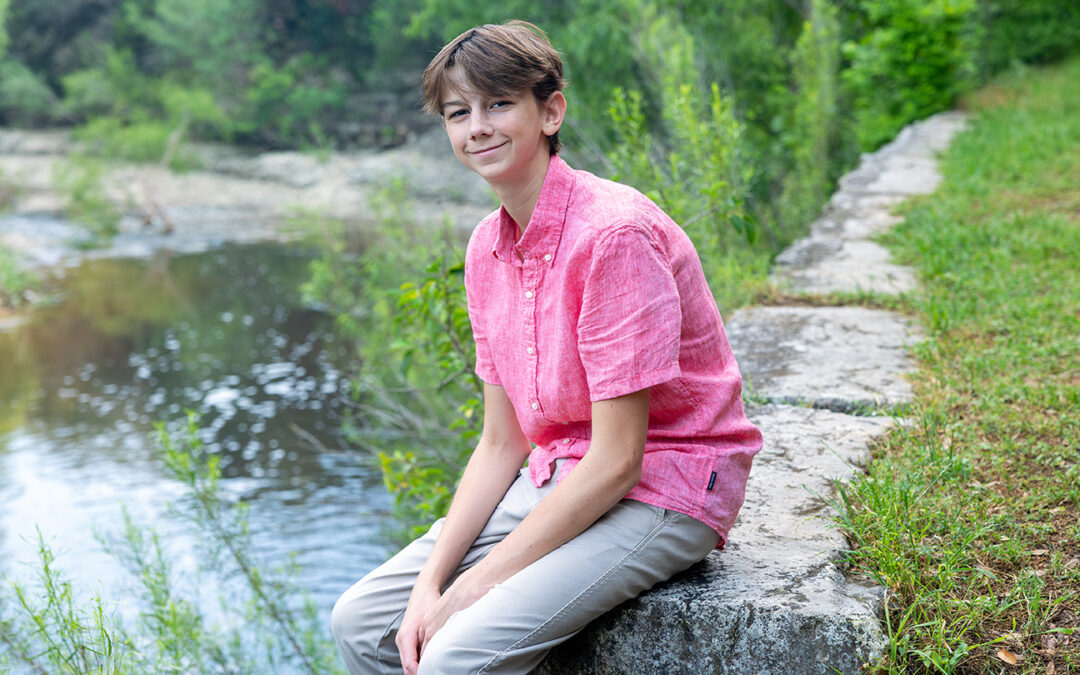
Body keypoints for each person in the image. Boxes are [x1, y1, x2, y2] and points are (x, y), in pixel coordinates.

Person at [330, 21, 763, 675]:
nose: (477, 126)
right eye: (458, 111)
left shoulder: (611, 235)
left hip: (664, 485)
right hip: (558, 473)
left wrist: (470, 592)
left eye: (498, 103)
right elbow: (501, 443)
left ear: (550, 110)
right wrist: (430, 585)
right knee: (363, 623)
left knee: (454, 655)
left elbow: (620, 460)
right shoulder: (486, 247)